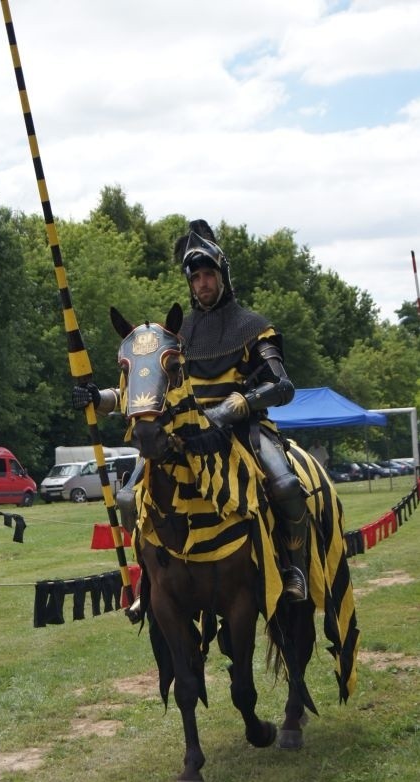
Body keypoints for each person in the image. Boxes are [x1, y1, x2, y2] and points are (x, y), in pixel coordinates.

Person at [72, 219, 310, 604]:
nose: (202, 283)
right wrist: (96, 399)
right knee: (129, 498)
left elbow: (282, 386)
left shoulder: (255, 327)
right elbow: (144, 391)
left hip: (245, 428)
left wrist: (239, 403)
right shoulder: (176, 336)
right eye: (196, 276)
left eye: (208, 274)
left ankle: (292, 565)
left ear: (222, 276)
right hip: (186, 431)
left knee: (284, 484)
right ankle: (148, 577)